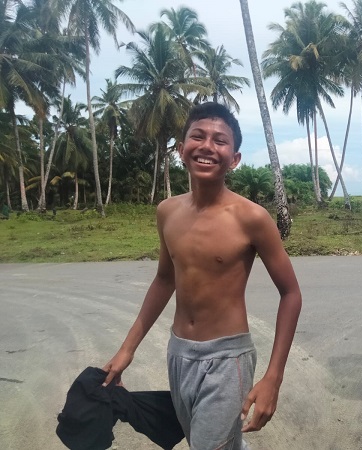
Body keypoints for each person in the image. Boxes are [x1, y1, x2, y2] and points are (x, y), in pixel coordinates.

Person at [102, 102, 302, 449]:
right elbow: (165, 280)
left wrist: (274, 377)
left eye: (220, 140)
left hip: (228, 359)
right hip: (179, 353)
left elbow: (291, 293)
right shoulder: (167, 212)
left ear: (234, 159)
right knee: (207, 441)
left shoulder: (251, 218)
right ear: (181, 150)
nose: (208, 146)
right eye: (198, 136)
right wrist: (127, 350)